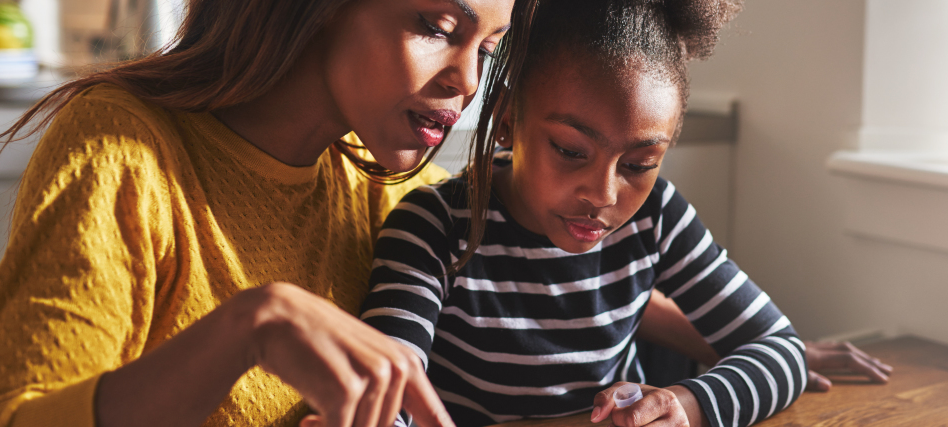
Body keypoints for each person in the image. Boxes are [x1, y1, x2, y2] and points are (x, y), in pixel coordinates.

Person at [0, 0, 529, 426]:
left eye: (487, 50)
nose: (468, 80)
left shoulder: (399, 203)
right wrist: (245, 331)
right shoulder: (126, 149)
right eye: (438, 28)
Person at [358, 0, 889, 426]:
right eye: (570, 150)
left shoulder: (657, 215)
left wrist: (687, 405)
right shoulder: (432, 227)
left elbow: (780, 350)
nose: (604, 193)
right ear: (505, 119)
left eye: (639, 163)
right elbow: (389, 397)